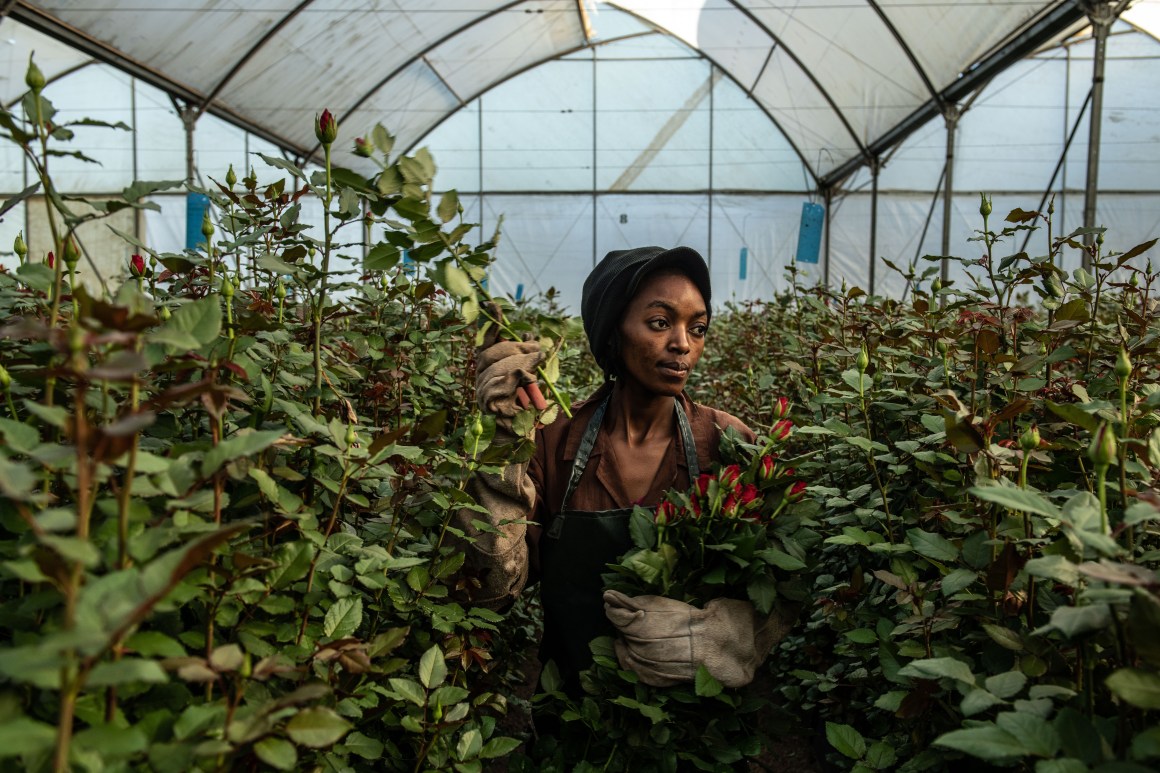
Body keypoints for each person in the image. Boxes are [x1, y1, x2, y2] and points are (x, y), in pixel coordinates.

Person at [460, 246, 789, 694]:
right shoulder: (553, 441)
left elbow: (778, 586)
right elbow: (491, 591)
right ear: (612, 330)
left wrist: (730, 634)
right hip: (577, 715)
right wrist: (500, 449)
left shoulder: (728, 442)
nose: (683, 344)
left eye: (698, 328)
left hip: (699, 724)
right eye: (659, 323)